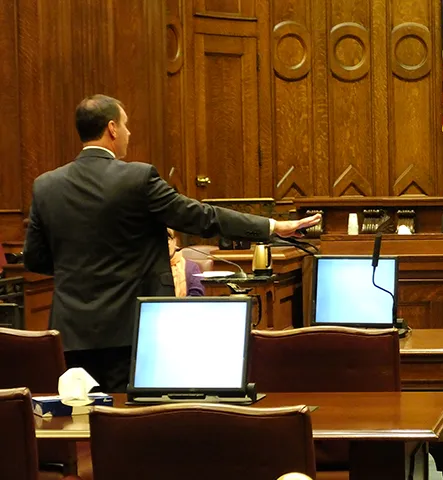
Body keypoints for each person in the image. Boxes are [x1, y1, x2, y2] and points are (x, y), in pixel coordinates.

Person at [23, 94, 320, 393]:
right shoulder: (137, 178)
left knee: (80, 422)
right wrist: (273, 226)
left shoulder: (46, 185)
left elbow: (35, 259)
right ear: (112, 128)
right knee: (129, 423)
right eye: (126, 126)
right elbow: (203, 218)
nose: (129, 133)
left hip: (72, 332)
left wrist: (76, 269)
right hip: (134, 329)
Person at [167, 228, 204, 297]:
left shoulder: (191, 267)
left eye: (168, 238)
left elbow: (197, 296)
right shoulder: (150, 268)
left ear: (175, 242)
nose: (166, 243)